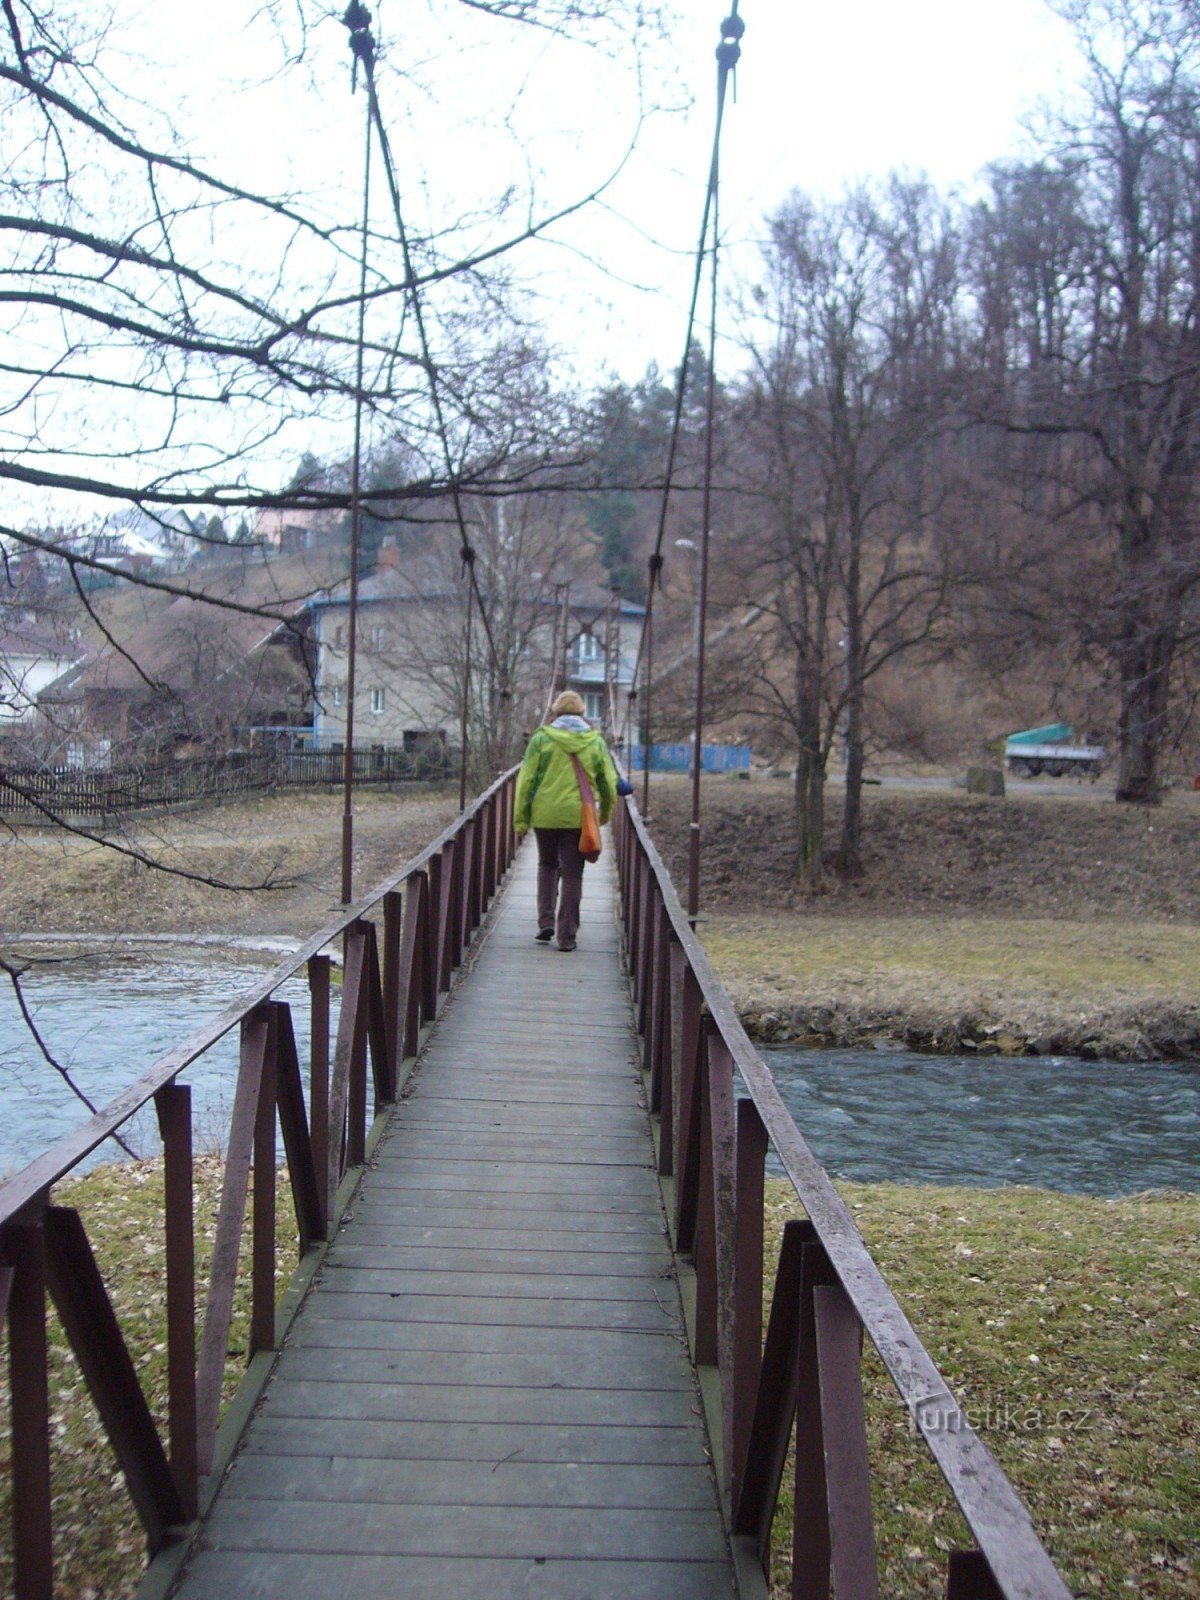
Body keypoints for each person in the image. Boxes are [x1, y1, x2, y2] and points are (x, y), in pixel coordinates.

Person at [513, 691, 617, 952]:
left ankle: (545, 922)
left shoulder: (541, 739)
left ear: (555, 713)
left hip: (545, 815)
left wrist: (520, 820)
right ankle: (567, 936)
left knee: (547, 865)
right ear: (582, 713)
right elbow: (608, 782)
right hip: (578, 816)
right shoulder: (594, 742)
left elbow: (526, 782)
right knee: (572, 874)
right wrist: (604, 813)